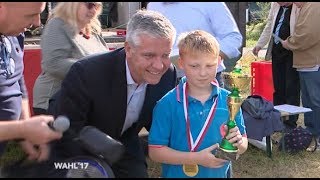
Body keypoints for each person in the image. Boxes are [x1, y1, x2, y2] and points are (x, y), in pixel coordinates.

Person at [48, 9, 177, 178]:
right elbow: (67, 127)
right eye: (149, 55)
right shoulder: (88, 73)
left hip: (123, 142)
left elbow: (164, 126)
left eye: (165, 55)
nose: (159, 65)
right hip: (74, 142)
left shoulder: (168, 75)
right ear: (128, 48)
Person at [148, 30, 248, 178]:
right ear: (181, 63)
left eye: (209, 65)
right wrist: (196, 158)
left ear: (219, 62)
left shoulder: (230, 100)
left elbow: (243, 143)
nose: (203, 73)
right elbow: (155, 152)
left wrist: (239, 143)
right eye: (194, 66)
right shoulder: (167, 104)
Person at [0, 2, 62, 161]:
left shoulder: (14, 33)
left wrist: (25, 131)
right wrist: (21, 130)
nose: (37, 23)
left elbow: (16, 78)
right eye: (30, 15)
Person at [33, 2, 109, 115]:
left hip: (83, 104)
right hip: (55, 103)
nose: (93, 11)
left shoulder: (93, 30)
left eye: (96, 6)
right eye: (89, 5)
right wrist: (95, 69)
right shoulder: (57, 24)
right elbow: (54, 64)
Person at [147, 2, 243, 87]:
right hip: (164, 80)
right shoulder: (153, 5)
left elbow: (233, 38)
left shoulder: (211, 3)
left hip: (205, 80)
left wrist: (203, 60)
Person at [252, 2, 300, 130]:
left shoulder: (299, 6)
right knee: (278, 87)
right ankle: (278, 120)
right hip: (277, 50)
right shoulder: (275, 5)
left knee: (291, 88)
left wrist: (290, 43)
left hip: (292, 52)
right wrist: (259, 44)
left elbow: (301, 29)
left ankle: (290, 123)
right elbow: (269, 26)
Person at [281, 2, 320, 148]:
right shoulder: (306, 6)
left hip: (313, 63)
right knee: (309, 102)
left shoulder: (314, 6)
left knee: (315, 102)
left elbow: (307, 35)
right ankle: (311, 133)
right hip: (306, 63)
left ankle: (316, 135)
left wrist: (289, 43)